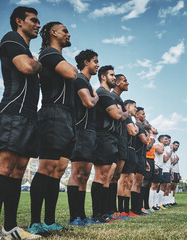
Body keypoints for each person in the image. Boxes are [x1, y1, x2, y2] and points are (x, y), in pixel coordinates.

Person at [0, 6, 42, 240]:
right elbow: (27, 67)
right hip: (14, 111)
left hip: (29, 114)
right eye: (34, 20)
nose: (38, 25)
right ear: (19, 21)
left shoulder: (26, 48)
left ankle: (10, 228)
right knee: (5, 166)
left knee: (19, 170)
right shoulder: (11, 39)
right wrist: (37, 63)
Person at [28, 21, 78, 235]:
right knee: (46, 168)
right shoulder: (48, 53)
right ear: (52, 33)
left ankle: (49, 221)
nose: (68, 33)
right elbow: (71, 73)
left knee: (57, 171)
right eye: (65, 30)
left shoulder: (56, 56)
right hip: (53, 114)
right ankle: (35, 223)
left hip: (66, 116)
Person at [67, 49, 99, 226]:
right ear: (86, 62)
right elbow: (88, 102)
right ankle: (74, 218)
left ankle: (82, 215)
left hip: (89, 133)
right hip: (80, 131)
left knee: (85, 175)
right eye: (95, 61)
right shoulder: (80, 79)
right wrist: (96, 97)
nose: (97, 64)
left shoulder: (86, 82)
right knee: (77, 173)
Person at [91, 65, 122, 223]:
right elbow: (118, 115)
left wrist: (119, 111)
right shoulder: (102, 93)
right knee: (101, 175)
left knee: (107, 177)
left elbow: (119, 114)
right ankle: (97, 214)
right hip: (102, 137)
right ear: (103, 77)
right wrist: (119, 110)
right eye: (111, 75)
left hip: (110, 138)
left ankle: (104, 213)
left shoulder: (108, 94)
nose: (114, 78)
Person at [108, 74, 129, 219]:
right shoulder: (112, 97)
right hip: (113, 138)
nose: (128, 83)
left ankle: (114, 210)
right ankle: (108, 210)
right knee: (110, 175)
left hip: (122, 139)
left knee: (116, 176)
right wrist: (127, 112)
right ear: (117, 82)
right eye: (125, 80)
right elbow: (120, 116)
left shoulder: (119, 99)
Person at [118, 100, 138, 217]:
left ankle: (127, 208)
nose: (135, 109)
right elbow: (133, 132)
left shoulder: (132, 120)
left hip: (132, 151)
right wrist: (135, 128)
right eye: (134, 107)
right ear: (128, 106)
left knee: (130, 181)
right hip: (125, 149)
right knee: (123, 180)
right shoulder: (127, 118)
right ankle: (120, 209)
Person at [130, 107, 149, 215]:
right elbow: (145, 141)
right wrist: (148, 134)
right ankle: (134, 209)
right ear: (137, 115)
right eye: (142, 114)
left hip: (142, 157)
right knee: (136, 183)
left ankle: (137, 208)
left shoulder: (141, 127)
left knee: (139, 183)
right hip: (137, 156)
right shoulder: (138, 126)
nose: (144, 116)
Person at [143, 126, 158, 212]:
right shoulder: (148, 138)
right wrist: (152, 141)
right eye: (153, 127)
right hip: (147, 159)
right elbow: (147, 148)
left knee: (149, 184)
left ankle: (147, 205)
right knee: (144, 183)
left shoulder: (151, 138)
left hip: (152, 160)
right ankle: (142, 206)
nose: (154, 128)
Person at [149, 135, 165, 210]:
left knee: (157, 185)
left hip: (160, 167)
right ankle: (151, 205)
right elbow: (161, 152)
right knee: (153, 185)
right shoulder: (157, 144)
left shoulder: (161, 145)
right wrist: (162, 145)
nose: (167, 141)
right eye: (165, 139)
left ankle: (155, 204)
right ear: (161, 140)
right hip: (156, 166)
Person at [170, 141, 180, 205]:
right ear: (172, 145)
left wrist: (179, 173)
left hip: (176, 172)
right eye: (176, 145)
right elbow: (170, 163)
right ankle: (169, 201)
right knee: (170, 187)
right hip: (172, 171)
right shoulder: (170, 153)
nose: (177, 147)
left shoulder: (175, 154)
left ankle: (173, 200)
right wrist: (176, 160)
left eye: (178, 146)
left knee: (174, 187)